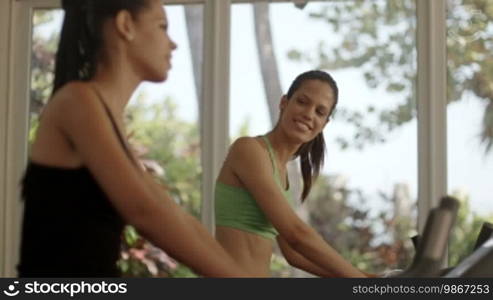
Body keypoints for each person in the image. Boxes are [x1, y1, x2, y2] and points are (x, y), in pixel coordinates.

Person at [18, 0, 250, 277]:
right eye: (162, 26)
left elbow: (173, 214)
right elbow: (145, 212)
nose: (173, 44)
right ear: (126, 25)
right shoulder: (78, 101)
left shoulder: (105, 115)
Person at [215, 70, 370, 277]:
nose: (308, 114)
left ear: (324, 124)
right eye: (303, 102)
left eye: (319, 112)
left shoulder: (281, 174)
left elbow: (293, 254)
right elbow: (296, 234)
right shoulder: (249, 150)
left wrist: (369, 278)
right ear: (284, 102)